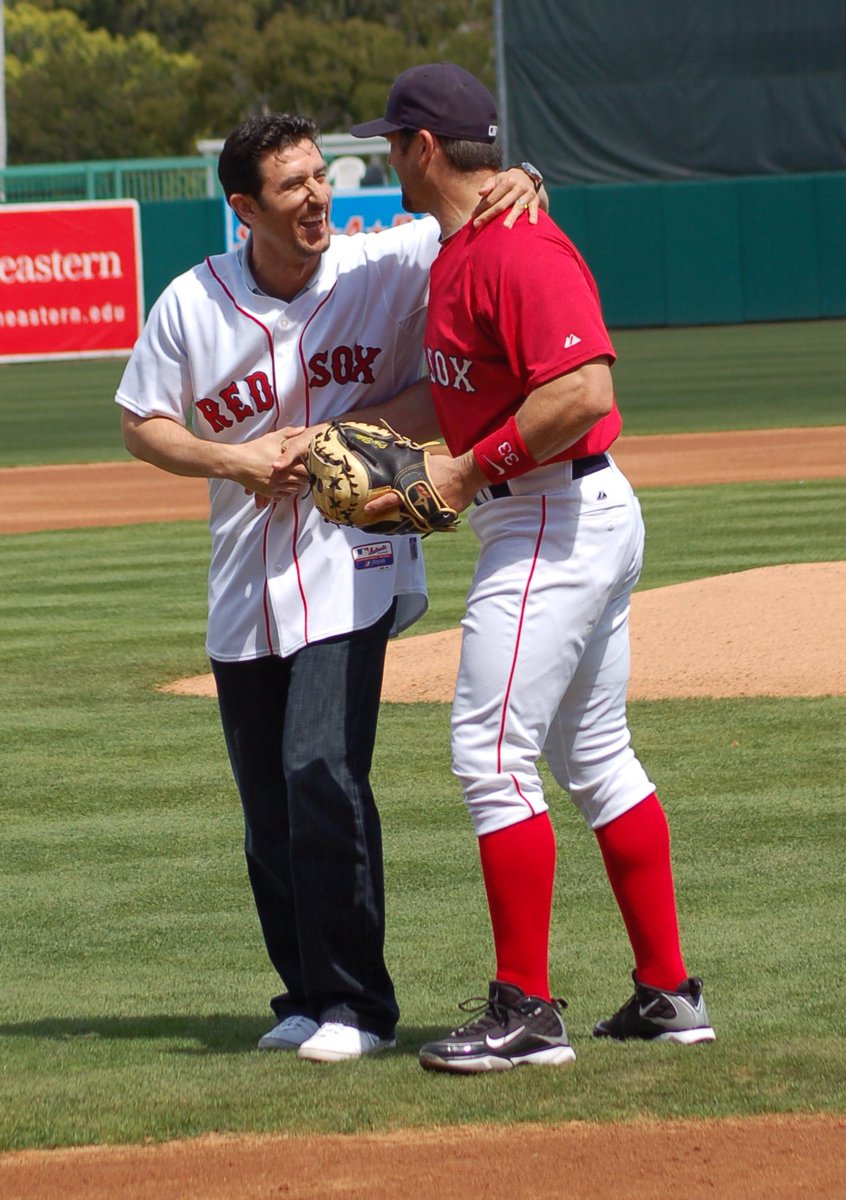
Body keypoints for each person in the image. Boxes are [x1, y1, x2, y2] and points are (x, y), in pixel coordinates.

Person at [115, 111, 543, 1064]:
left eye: (321, 177)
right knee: (267, 805)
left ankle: (358, 1007)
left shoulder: (383, 263)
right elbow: (142, 421)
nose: (317, 198)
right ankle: (304, 995)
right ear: (243, 209)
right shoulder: (192, 301)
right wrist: (230, 458)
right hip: (243, 579)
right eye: (293, 186)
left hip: (354, 559)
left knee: (320, 767)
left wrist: (524, 173)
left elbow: (474, 207)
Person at [349, 62, 716, 1072]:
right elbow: (457, 390)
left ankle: (524, 1014)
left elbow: (584, 390)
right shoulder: (461, 249)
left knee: (489, 754)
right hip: (561, 512)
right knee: (595, 755)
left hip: (555, 515)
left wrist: (463, 476)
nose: (387, 157)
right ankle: (667, 995)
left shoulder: (519, 248)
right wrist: (345, 432)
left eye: (391, 142)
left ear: (424, 150)